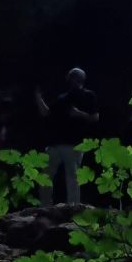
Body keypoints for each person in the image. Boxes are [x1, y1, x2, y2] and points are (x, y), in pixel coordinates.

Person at [35, 66, 99, 205]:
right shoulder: (62, 98)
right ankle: (44, 207)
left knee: (73, 178)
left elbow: (95, 118)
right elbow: (47, 114)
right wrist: (38, 98)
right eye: (71, 77)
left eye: (75, 77)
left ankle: (73, 208)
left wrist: (80, 114)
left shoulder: (89, 96)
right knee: (45, 176)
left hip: (74, 144)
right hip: (55, 143)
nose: (72, 80)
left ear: (81, 79)